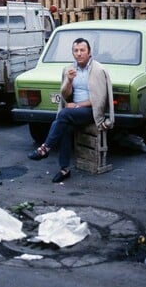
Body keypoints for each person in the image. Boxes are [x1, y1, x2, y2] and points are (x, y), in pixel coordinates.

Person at [27, 38, 114, 183]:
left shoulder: (98, 70)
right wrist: (69, 80)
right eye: (76, 50)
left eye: (82, 50)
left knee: (63, 115)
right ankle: (64, 169)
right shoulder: (69, 69)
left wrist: (78, 105)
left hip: (90, 112)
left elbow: (100, 100)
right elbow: (66, 95)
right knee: (64, 126)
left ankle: (45, 148)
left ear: (89, 52)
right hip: (74, 113)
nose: (79, 54)